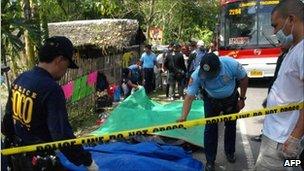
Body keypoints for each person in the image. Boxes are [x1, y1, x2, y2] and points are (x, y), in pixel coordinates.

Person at [1, 36, 99, 171]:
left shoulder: (22, 78)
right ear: (59, 60)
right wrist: (86, 160)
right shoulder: (51, 89)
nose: (66, 71)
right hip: (39, 160)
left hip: (16, 155)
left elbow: (7, 119)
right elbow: (61, 135)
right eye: (67, 65)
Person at [177, 53, 249, 171]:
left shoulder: (231, 64)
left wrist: (242, 99)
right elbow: (189, 97)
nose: (208, 77)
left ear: (219, 67)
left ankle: (230, 152)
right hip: (211, 101)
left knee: (231, 126)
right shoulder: (197, 75)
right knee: (210, 129)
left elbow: (244, 78)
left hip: (230, 100)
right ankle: (210, 160)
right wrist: (183, 116)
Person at [255, 0, 304, 170]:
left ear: (291, 19)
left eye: (275, 26)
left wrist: (295, 138)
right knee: (289, 166)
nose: (275, 32)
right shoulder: (294, 48)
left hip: (281, 139)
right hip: (276, 135)